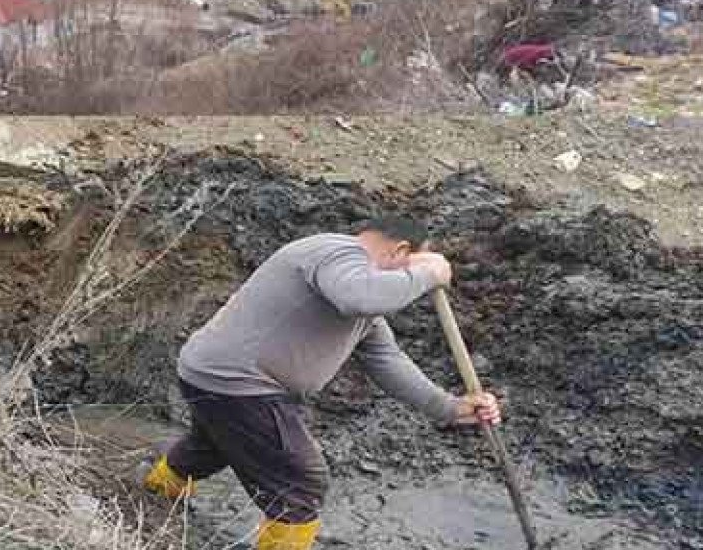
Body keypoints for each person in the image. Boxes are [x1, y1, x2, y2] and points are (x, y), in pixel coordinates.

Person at [139, 216, 503, 550]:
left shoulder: (359, 298)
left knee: (210, 448)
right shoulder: (336, 252)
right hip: (239, 385)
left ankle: (147, 501)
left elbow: (388, 361)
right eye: (407, 269)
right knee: (300, 482)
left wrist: (450, 408)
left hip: (217, 379)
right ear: (401, 251)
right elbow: (359, 296)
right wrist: (429, 273)